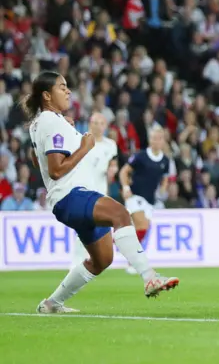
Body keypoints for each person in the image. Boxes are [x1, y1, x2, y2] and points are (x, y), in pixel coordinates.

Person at [24, 71, 178, 313]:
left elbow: (37, 161)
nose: (68, 91)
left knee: (102, 259)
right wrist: (84, 147)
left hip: (68, 199)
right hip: (70, 195)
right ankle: (150, 277)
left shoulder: (43, 122)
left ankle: (52, 304)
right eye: (61, 87)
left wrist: (67, 133)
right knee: (120, 214)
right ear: (46, 95)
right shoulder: (50, 121)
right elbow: (55, 171)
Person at [118, 125, 170, 274]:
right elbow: (124, 171)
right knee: (143, 225)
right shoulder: (140, 156)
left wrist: (163, 189)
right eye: (154, 138)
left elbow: (165, 177)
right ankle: (133, 257)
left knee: (140, 230)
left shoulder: (165, 160)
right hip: (135, 196)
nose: (156, 141)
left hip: (150, 200)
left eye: (159, 138)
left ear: (163, 141)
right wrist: (126, 188)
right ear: (150, 139)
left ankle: (125, 250)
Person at [71, 112, 118, 267]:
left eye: (101, 123)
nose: (98, 126)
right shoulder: (80, 141)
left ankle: (98, 260)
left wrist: (112, 170)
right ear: (90, 124)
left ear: (105, 126)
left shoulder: (110, 145)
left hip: (101, 192)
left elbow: (113, 165)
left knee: (101, 228)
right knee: (83, 227)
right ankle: (76, 262)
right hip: (83, 191)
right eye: (95, 123)